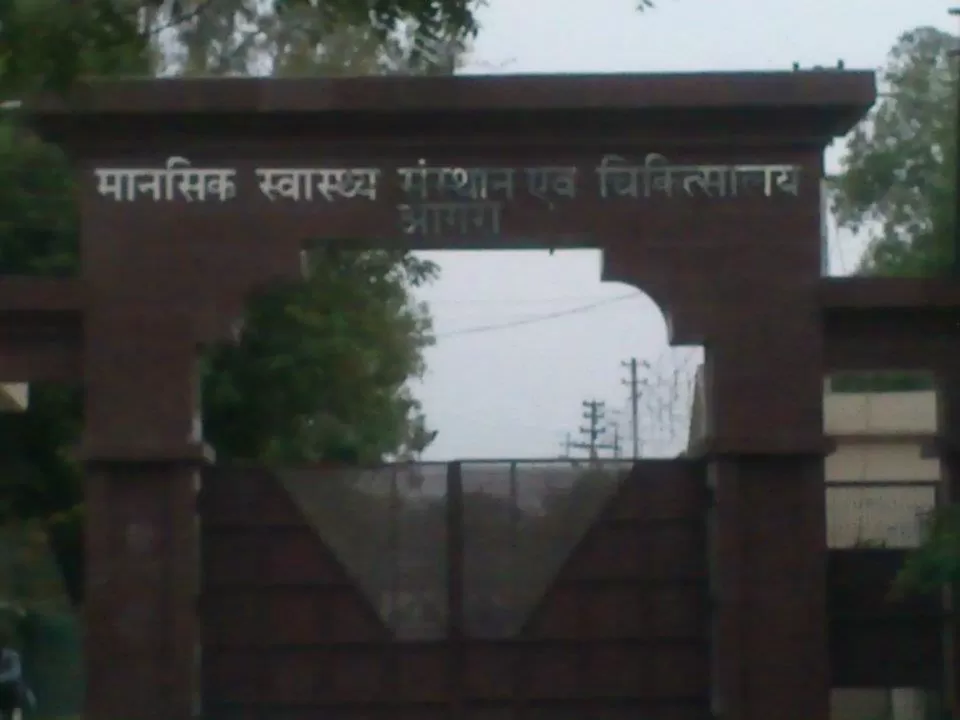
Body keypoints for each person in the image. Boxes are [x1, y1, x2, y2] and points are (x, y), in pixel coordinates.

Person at [0, 629, 31, 720]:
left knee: (15, 691)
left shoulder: (12, 655)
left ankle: (16, 714)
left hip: (10, 687)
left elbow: (15, 672)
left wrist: (1, 678)